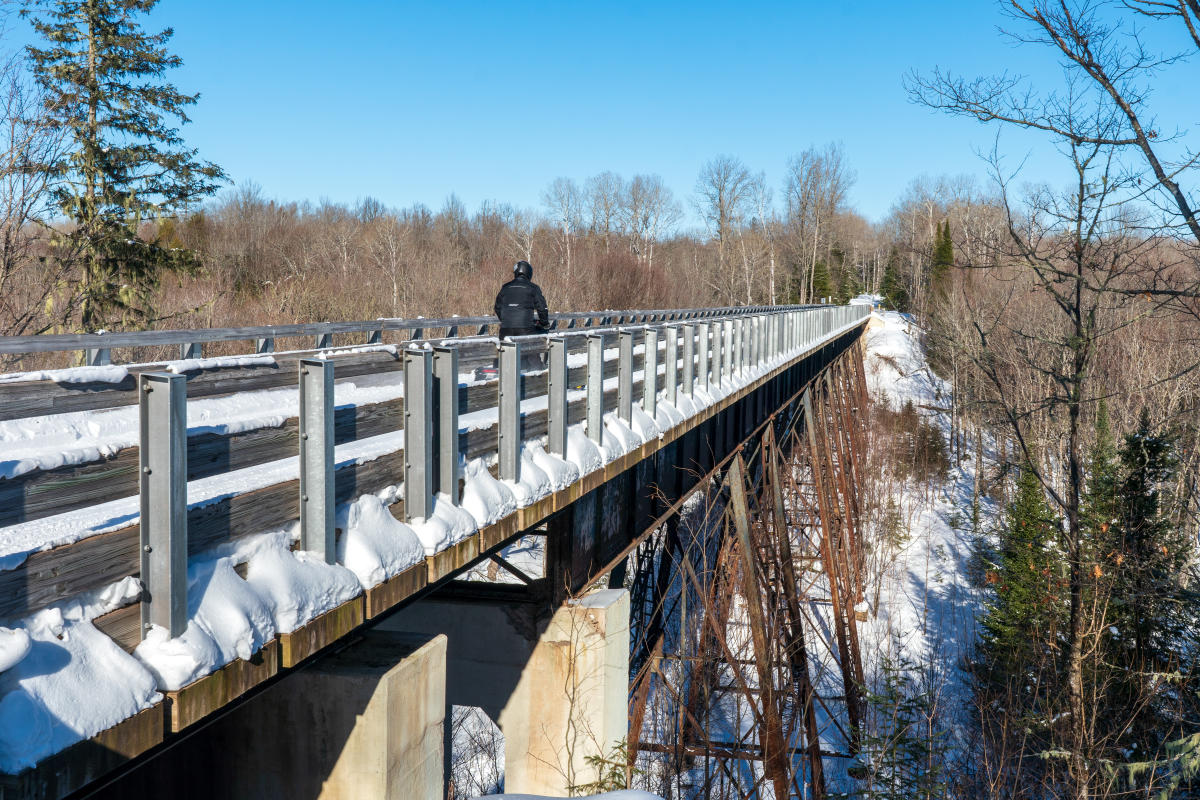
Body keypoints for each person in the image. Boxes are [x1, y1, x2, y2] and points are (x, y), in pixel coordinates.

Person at [494, 260, 549, 338]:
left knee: (506, 349)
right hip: (526, 329)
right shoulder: (533, 287)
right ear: (529, 273)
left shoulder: (505, 287)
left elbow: (497, 308)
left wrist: (507, 320)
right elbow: (542, 309)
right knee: (543, 334)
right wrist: (544, 323)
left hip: (505, 330)